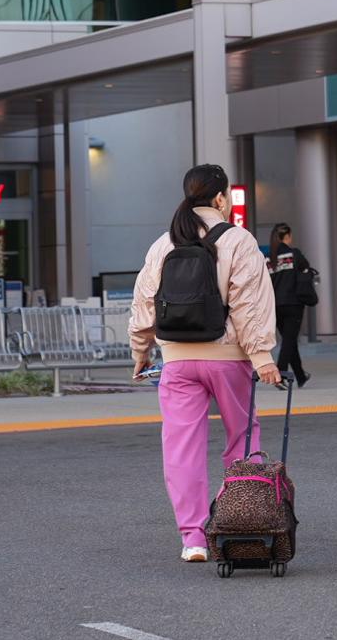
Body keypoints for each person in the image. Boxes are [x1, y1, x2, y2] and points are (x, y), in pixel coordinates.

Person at [130, 164, 280, 563]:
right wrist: (262, 356)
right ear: (219, 198)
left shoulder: (164, 243)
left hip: (177, 360)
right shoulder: (238, 240)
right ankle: (240, 519)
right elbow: (249, 303)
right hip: (227, 357)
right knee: (242, 438)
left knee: (181, 448)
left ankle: (193, 538)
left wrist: (140, 351)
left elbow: (144, 302)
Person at [267, 223, 313, 387]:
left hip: (275, 306)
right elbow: (306, 267)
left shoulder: (268, 258)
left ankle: (300, 375)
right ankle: (280, 374)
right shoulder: (294, 254)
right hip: (293, 304)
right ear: (287, 236)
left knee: (289, 340)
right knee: (289, 340)